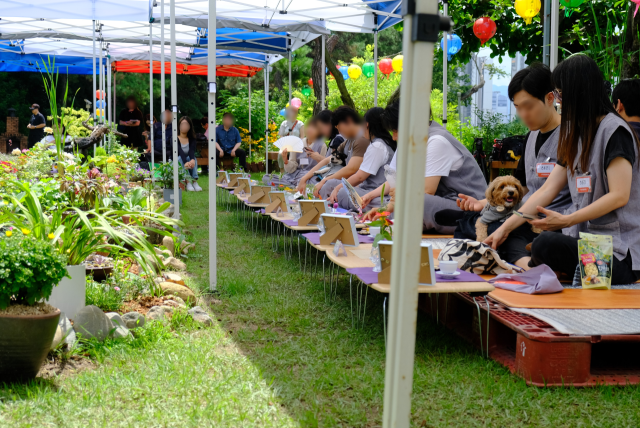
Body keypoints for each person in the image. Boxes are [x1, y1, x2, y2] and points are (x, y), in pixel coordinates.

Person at [485, 55, 640, 285]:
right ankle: (556, 270)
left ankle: (549, 269)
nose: (558, 101)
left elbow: (619, 196)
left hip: (617, 253)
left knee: (545, 244)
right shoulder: (575, 133)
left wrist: (566, 221)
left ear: (578, 92)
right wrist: (504, 228)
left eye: (559, 93)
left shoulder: (614, 131)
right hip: (584, 242)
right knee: (511, 232)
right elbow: (547, 189)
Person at [456, 63, 571, 268]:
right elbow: (522, 188)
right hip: (522, 216)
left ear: (550, 98)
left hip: (552, 220)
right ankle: (524, 260)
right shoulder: (531, 137)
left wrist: (506, 226)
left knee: (503, 233)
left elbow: (546, 191)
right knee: (470, 220)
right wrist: (482, 203)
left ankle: (527, 264)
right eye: (518, 108)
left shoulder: (570, 135)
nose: (523, 115)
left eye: (528, 106)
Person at [362, 101, 487, 234]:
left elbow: (427, 191)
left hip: (469, 208)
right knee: (396, 207)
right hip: (439, 203)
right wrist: (385, 210)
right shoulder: (412, 142)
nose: (394, 137)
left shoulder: (437, 141)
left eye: (395, 130)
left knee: (418, 202)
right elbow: (398, 182)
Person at [296, 106, 369, 199]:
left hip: (361, 185)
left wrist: (324, 181)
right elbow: (328, 160)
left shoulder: (361, 139)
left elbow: (351, 169)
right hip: (349, 181)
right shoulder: (348, 141)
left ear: (349, 120)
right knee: (315, 181)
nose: (339, 131)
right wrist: (304, 178)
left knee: (327, 184)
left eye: (340, 128)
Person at [330, 107, 396, 210]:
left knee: (341, 192)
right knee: (339, 187)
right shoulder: (381, 143)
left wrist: (338, 188)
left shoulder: (377, 146)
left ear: (367, 124)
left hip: (376, 192)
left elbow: (360, 177)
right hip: (371, 190)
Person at [262, 117, 327, 187]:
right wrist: (286, 161)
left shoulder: (322, 146)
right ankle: (294, 187)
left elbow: (323, 169)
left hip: (310, 177)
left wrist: (318, 158)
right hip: (293, 176)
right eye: (308, 127)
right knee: (266, 178)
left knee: (313, 182)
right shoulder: (297, 143)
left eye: (313, 128)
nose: (309, 130)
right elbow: (291, 169)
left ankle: (291, 187)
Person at [173, 116, 202, 192]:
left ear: (190, 127)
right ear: (179, 126)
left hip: (186, 162)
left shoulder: (192, 138)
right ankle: (188, 181)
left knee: (193, 158)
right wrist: (186, 162)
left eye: (186, 124)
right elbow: (180, 152)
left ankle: (195, 181)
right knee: (180, 158)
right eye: (182, 124)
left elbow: (191, 151)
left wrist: (192, 160)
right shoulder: (174, 138)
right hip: (176, 162)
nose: (184, 126)